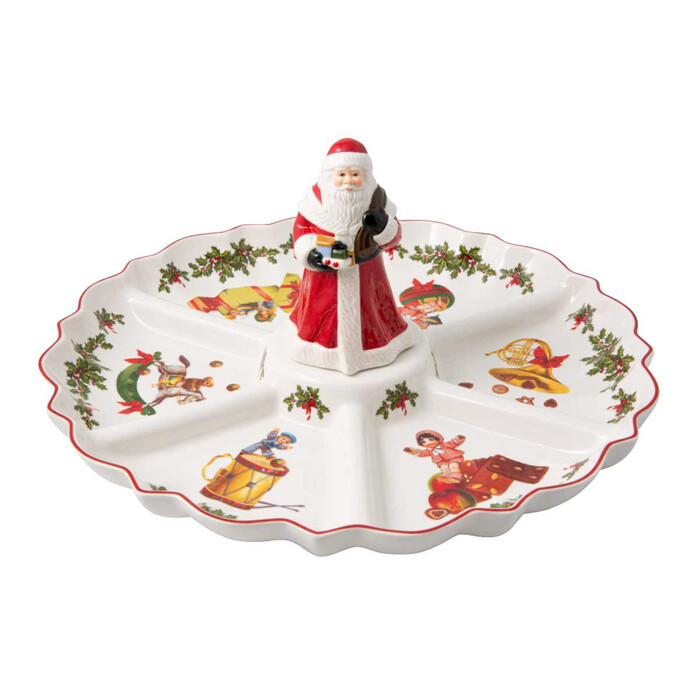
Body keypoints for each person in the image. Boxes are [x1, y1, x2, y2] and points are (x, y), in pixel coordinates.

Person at [290, 138, 414, 374]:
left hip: (368, 275)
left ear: (365, 176)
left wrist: (383, 227)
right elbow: (301, 231)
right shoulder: (313, 203)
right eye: (342, 175)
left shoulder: (377, 201)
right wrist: (310, 254)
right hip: (325, 278)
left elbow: (394, 236)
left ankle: (375, 348)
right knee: (322, 314)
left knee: (372, 313)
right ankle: (321, 350)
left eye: (355, 175)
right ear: (330, 176)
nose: (348, 181)